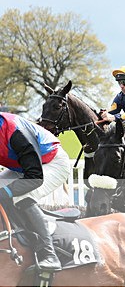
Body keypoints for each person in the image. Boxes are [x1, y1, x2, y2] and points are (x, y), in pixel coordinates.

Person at [0, 112, 71, 272]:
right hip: (23, 166)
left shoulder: (16, 133)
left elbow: (34, 178)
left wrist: (6, 192)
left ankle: (49, 254)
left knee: (22, 195)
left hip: (52, 163)